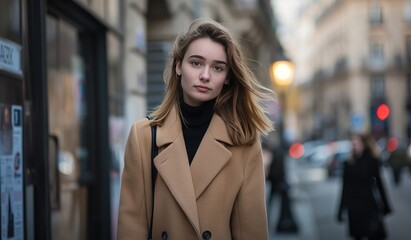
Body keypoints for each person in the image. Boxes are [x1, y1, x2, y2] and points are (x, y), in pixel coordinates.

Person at [118, 18, 274, 240]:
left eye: (217, 68)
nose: (205, 75)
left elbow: (251, 231)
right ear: (179, 66)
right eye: (196, 63)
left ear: (228, 77)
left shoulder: (244, 142)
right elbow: (131, 226)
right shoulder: (144, 136)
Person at [337, 133, 392, 240]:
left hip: (369, 204)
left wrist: (386, 205)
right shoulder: (348, 163)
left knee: (374, 233)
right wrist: (340, 210)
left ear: (364, 143)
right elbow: (345, 188)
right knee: (358, 235)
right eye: (352, 142)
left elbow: (380, 184)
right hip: (354, 207)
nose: (354, 145)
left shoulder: (372, 161)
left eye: (356, 142)